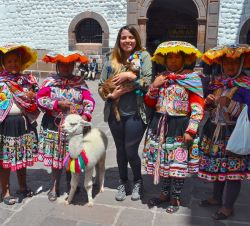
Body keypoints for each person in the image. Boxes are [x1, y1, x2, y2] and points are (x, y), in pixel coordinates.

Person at [143, 41, 204, 213]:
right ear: (164, 59)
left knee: (178, 162)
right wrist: (154, 86)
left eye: (178, 57)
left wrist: (191, 129)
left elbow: (198, 105)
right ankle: (163, 194)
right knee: (163, 161)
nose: (173, 61)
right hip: (160, 124)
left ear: (184, 59)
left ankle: (175, 198)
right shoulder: (161, 77)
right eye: (170, 57)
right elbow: (149, 101)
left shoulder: (192, 78)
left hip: (180, 126)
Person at [98, 25, 153, 201]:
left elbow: (148, 82)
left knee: (130, 149)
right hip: (115, 113)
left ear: (136, 39)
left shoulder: (143, 56)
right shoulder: (110, 59)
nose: (127, 41)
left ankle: (138, 181)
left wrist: (131, 77)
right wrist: (111, 95)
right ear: (118, 40)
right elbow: (100, 87)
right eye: (124, 37)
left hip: (137, 112)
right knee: (120, 150)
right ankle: (123, 181)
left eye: (131, 37)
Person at [198, 44, 250, 220]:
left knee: (233, 172)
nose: (230, 66)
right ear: (221, 64)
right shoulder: (217, 82)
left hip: (234, 134)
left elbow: (248, 112)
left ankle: (227, 206)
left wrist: (229, 104)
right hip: (215, 131)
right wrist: (210, 102)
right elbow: (210, 108)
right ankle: (216, 197)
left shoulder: (246, 86)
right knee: (219, 166)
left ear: (242, 63)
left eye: (235, 63)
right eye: (227, 63)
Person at [37, 51, 95, 201]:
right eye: (62, 64)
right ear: (57, 65)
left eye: (69, 64)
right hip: (54, 125)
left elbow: (89, 101)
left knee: (72, 156)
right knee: (56, 158)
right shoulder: (50, 82)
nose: (66, 68)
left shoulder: (80, 82)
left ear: (74, 65)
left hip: (74, 128)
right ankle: (54, 186)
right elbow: (40, 100)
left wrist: (85, 115)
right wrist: (57, 103)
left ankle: (71, 185)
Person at [0, 44, 40, 205]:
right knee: (5, 161)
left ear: (21, 62)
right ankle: (6, 191)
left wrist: (34, 96)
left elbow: (40, 98)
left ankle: (23, 187)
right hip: (5, 125)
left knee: (22, 158)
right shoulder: (1, 82)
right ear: (3, 64)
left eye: (16, 60)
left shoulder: (28, 81)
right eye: (9, 61)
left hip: (24, 124)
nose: (13, 64)